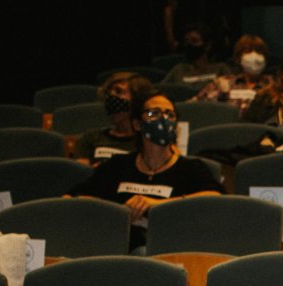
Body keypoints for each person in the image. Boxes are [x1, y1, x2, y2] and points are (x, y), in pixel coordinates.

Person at [69, 87, 221, 248]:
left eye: (170, 115)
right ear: (137, 124)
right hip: (118, 246)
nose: (163, 119)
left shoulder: (191, 168)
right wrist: (118, 212)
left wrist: (156, 204)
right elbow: (75, 197)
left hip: (169, 247)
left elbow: (215, 198)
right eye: (153, 113)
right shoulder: (118, 165)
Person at [74, 71, 151, 165]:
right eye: (108, 93)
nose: (111, 96)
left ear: (137, 98)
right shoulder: (90, 138)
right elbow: (82, 170)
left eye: (118, 91)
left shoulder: (147, 141)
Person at [197, 33, 276, 112]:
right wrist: (221, 94)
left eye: (259, 52)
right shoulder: (224, 82)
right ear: (238, 58)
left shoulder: (273, 84)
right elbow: (195, 106)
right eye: (248, 51)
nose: (254, 55)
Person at [162, 21, 227, 87]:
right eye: (186, 42)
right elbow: (161, 89)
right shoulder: (178, 70)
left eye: (194, 41)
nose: (190, 45)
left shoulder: (220, 69)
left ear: (207, 46)